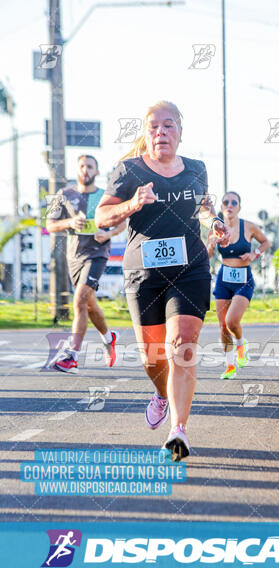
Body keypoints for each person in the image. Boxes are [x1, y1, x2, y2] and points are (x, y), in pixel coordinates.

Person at [95, 101, 230, 461]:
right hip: (144, 275)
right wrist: (131, 205)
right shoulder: (129, 171)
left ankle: (178, 430)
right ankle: (161, 394)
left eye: (169, 126)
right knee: (153, 357)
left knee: (182, 346)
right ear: (145, 133)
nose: (161, 133)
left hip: (191, 268)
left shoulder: (197, 170)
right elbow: (101, 217)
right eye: (154, 127)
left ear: (180, 133)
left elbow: (204, 207)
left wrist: (215, 224)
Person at [46, 155, 126, 373]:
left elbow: (123, 222)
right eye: (82, 166)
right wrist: (70, 222)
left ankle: (72, 356)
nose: (85, 170)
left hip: (97, 254)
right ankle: (109, 338)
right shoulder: (63, 195)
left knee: (80, 298)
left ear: (97, 171)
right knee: (88, 304)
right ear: (77, 169)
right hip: (74, 256)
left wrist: (107, 233)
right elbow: (49, 224)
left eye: (90, 166)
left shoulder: (105, 197)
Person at [207, 192, 269, 379]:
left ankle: (241, 344)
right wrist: (211, 244)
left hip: (243, 279)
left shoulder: (248, 227)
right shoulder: (215, 229)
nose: (230, 205)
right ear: (222, 207)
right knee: (222, 326)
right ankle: (229, 365)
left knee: (232, 321)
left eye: (234, 202)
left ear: (239, 207)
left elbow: (266, 242)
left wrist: (254, 254)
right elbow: (207, 255)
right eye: (226, 202)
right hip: (223, 278)